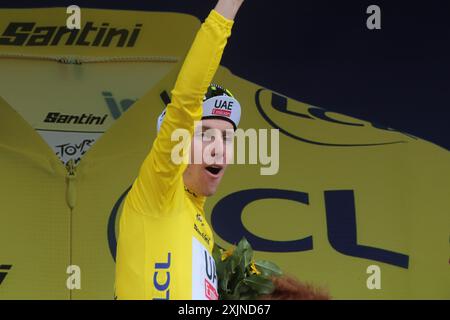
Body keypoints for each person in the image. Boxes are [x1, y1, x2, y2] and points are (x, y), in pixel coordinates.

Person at [115, 0, 245, 300]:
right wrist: (227, 7)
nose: (217, 149)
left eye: (226, 138)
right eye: (205, 135)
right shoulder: (158, 190)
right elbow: (187, 98)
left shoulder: (200, 225)